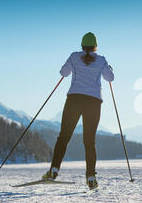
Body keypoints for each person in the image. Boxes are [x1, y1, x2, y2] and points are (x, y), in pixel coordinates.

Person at [42, 32, 115, 189]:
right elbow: (110, 78)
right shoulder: (101, 60)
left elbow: (63, 73)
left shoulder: (74, 57)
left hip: (74, 99)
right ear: (95, 46)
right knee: (89, 141)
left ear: (82, 45)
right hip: (94, 102)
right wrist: (109, 68)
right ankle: (90, 178)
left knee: (64, 137)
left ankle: (53, 171)